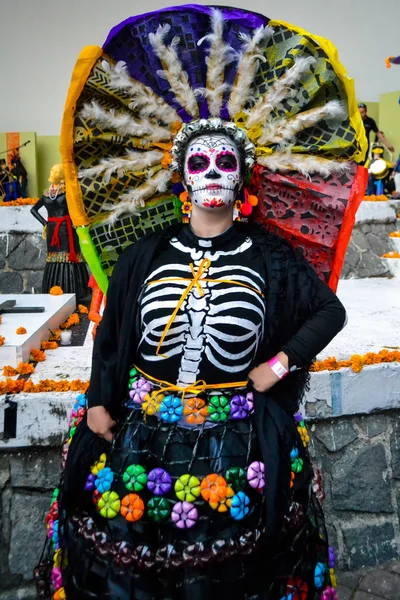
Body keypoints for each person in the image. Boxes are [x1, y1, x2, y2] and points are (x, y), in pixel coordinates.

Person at [35, 6, 367, 600]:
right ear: (180, 176)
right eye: (200, 162)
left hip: (236, 440)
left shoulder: (269, 256)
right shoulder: (145, 253)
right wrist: (97, 402)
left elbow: (328, 312)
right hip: (140, 435)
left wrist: (279, 363)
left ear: (242, 176)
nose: (212, 172)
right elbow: (112, 336)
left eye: (225, 162)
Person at [30, 163, 89, 301]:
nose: (51, 171)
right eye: (51, 169)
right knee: (53, 257)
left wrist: (78, 224)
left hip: (67, 229)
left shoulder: (69, 191)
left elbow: (80, 208)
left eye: (55, 170)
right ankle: (54, 287)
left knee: (69, 256)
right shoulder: (46, 193)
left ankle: (74, 290)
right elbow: (33, 210)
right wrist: (45, 223)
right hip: (52, 230)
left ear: (62, 174)